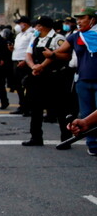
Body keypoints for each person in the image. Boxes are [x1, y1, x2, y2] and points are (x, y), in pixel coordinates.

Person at [49, 7, 97, 155]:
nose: (79, 22)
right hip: (82, 79)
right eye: (78, 19)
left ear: (92, 20)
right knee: (86, 113)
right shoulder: (76, 36)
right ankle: (93, 145)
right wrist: (52, 55)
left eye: (83, 18)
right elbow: (60, 50)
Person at [22, 16, 71, 147]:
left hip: (55, 78)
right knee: (36, 108)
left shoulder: (58, 38)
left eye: (37, 26)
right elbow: (28, 54)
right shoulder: (35, 38)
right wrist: (33, 66)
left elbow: (66, 55)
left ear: (42, 26)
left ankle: (66, 138)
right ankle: (36, 137)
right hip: (38, 76)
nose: (35, 28)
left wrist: (42, 66)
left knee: (61, 109)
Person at [10, 16, 34, 115]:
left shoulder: (31, 34)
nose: (18, 26)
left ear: (25, 24)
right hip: (16, 61)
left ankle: (28, 107)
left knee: (26, 86)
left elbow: (31, 48)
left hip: (25, 62)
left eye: (19, 23)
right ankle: (22, 106)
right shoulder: (20, 34)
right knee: (18, 86)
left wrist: (25, 60)